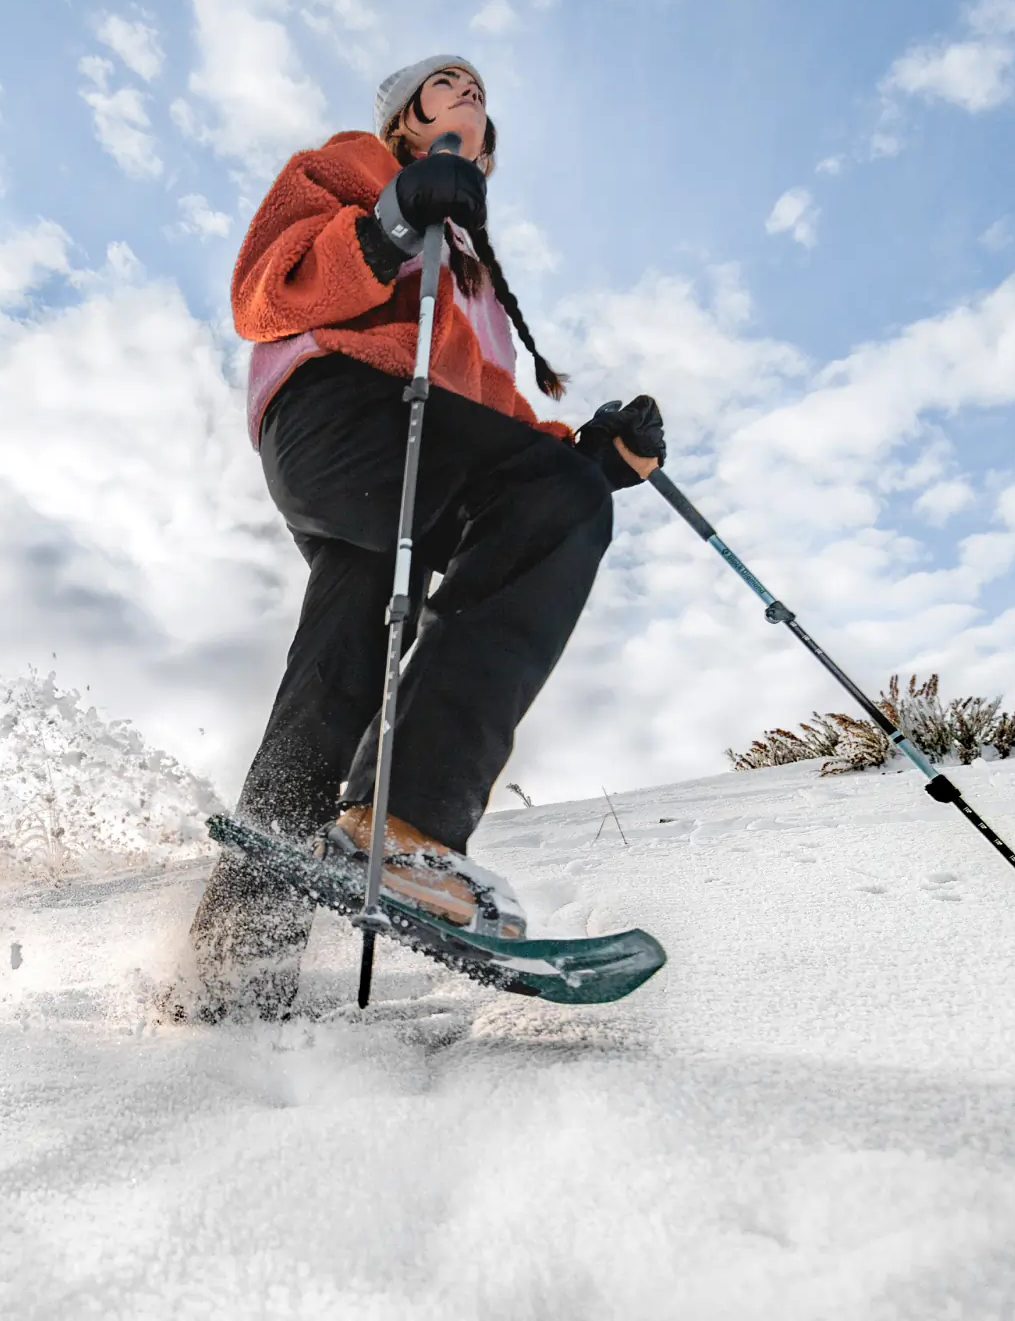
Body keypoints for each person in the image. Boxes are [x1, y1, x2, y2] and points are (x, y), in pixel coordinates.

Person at [185, 57, 667, 1020]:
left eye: (483, 92)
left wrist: (590, 455)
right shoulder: (352, 165)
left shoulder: (475, 275)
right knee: (557, 503)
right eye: (448, 84)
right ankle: (403, 825)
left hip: (406, 448)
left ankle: (231, 972)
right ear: (405, 116)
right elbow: (263, 292)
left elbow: (487, 416)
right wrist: (389, 220)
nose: (472, 92)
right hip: (334, 417)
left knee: (339, 675)